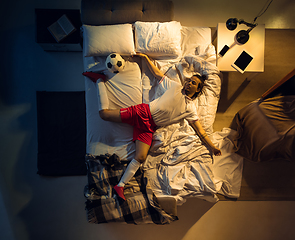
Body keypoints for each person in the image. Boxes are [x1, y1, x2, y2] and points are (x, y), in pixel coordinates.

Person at [84, 53, 221, 201]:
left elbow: (201, 132)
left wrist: (212, 147)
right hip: (141, 113)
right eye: (189, 80)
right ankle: (99, 80)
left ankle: (120, 186)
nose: (189, 83)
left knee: (141, 157)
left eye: (193, 83)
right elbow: (157, 74)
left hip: (149, 127)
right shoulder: (174, 86)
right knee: (104, 115)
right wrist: (145, 57)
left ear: (198, 90)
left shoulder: (191, 109)